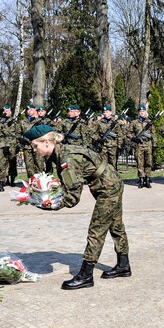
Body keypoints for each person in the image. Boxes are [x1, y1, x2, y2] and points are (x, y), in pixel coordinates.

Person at [24, 124, 131, 290]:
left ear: (46, 142)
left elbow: (73, 197)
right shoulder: (60, 153)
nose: (34, 150)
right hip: (109, 182)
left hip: (108, 188)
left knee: (97, 230)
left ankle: (86, 275)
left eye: (35, 146)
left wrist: (50, 204)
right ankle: (123, 266)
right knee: (115, 225)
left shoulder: (67, 158)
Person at [129, 105, 155, 188]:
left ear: (145, 112)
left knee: (148, 162)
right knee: (140, 163)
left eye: (143, 111)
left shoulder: (149, 122)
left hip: (148, 144)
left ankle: (147, 180)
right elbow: (128, 133)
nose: (141, 113)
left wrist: (154, 144)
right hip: (139, 145)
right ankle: (141, 180)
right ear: (138, 113)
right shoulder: (134, 122)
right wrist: (133, 138)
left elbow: (153, 134)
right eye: (140, 111)